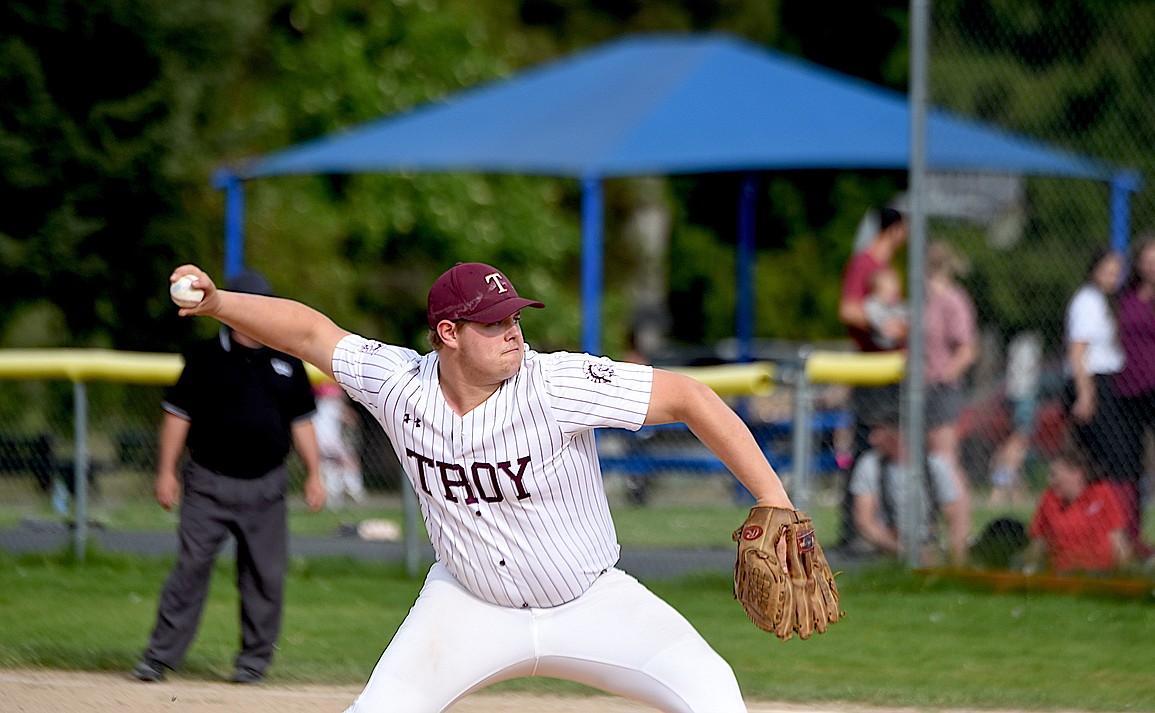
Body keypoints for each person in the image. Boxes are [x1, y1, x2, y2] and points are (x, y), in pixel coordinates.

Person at [166, 260, 798, 713]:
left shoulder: (554, 383)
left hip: (592, 603)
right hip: (466, 605)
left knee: (712, 691)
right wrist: (219, 303)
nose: (513, 332)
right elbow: (309, 333)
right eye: (494, 324)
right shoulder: (399, 385)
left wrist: (776, 501)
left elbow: (689, 396)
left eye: (515, 318)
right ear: (448, 334)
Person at [133, 269, 325, 685]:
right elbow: (177, 416)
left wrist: (315, 474)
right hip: (209, 482)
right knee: (190, 570)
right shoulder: (203, 357)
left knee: (265, 577)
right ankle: (159, 657)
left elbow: (303, 421)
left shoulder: (288, 362)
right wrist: (166, 472)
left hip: (268, 484)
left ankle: (253, 663)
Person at [837, 205, 908, 550]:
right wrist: (883, 324)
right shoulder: (865, 264)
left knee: (890, 447)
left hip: (891, 372)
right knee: (868, 447)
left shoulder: (885, 268)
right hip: (872, 373)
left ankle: (883, 527)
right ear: (894, 229)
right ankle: (856, 530)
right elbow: (849, 309)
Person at [849, 405, 968, 567]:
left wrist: (955, 559)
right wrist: (904, 552)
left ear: (898, 433)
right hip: (886, 544)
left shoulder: (934, 465)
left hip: (927, 542)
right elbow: (864, 521)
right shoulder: (870, 465)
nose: (872, 439)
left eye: (879, 431)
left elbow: (956, 516)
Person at [1113, 235, 1155, 555]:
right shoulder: (1127, 296)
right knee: (1129, 466)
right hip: (1129, 390)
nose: (1153, 265)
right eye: (1148, 260)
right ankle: (1132, 536)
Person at [1062, 248, 1126, 513]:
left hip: (1106, 382)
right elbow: (1078, 351)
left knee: (1110, 456)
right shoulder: (1087, 300)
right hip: (1091, 382)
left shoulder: (1105, 301)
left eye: (1117, 271)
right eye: (1108, 270)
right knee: (1105, 457)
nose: (1113, 276)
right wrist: (1085, 393)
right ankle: (1093, 519)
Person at [922, 240, 977, 539]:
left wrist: (941, 377)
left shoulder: (953, 300)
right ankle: (933, 536)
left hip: (940, 389)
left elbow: (967, 350)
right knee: (931, 463)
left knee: (945, 462)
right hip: (925, 389)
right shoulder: (926, 301)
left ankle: (960, 535)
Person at [1024, 446, 1131, 574]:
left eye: (1054, 474)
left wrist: (1122, 574)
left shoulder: (1102, 493)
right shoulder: (1049, 499)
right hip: (1063, 573)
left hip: (1099, 572)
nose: (1050, 480)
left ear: (1076, 473)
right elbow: (1038, 543)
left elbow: (1118, 541)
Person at [988, 331, 1042, 507]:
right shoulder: (1028, 342)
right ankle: (1000, 489)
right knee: (1017, 446)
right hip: (1024, 394)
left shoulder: (1019, 342)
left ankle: (1014, 491)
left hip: (1018, 392)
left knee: (1015, 446)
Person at [313, 380, 367, 509]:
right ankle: (355, 488)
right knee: (350, 461)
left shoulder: (316, 405)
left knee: (331, 468)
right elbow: (350, 418)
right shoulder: (332, 405)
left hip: (317, 443)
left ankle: (334, 498)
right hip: (331, 442)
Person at [863, 266, 909, 352]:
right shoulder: (873, 306)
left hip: (895, 351)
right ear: (877, 292)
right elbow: (887, 328)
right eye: (890, 292)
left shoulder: (897, 306)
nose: (895, 294)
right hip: (878, 351)